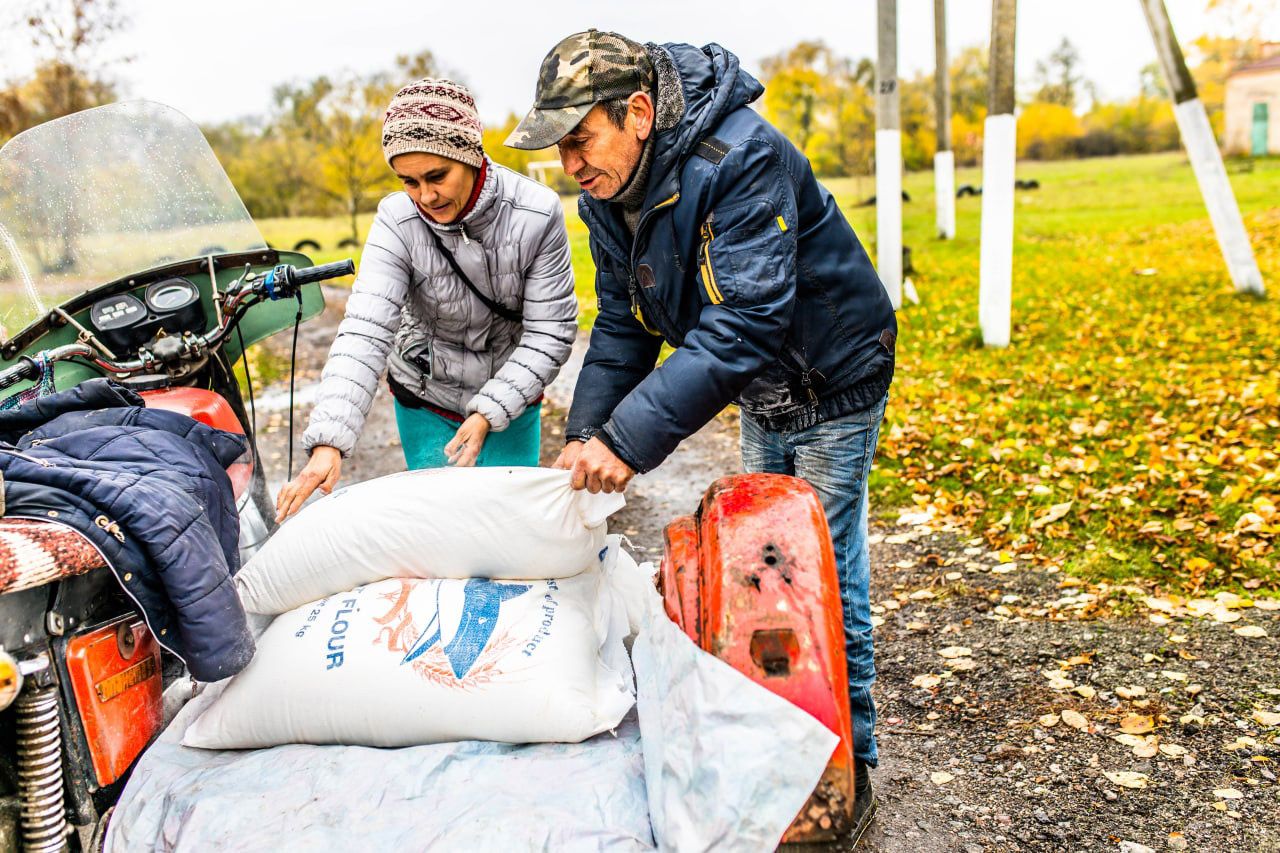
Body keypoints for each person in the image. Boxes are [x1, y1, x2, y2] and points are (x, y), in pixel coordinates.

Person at [507, 31, 897, 843]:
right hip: (763, 383)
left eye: (582, 139)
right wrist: (589, 434)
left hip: (831, 373)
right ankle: (777, 745)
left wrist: (629, 442)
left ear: (639, 113)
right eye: (560, 149)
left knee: (819, 570)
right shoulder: (611, 198)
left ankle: (846, 769)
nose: (572, 163)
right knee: (764, 565)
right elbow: (623, 324)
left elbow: (749, 318)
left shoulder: (742, 159)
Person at [276, 78, 577, 522]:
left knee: (508, 526)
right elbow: (365, 329)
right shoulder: (397, 221)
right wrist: (329, 441)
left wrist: (490, 411)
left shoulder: (537, 212)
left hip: (509, 399)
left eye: (437, 176)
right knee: (443, 531)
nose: (426, 196)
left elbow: (551, 331)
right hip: (426, 396)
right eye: (409, 181)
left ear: (471, 155)